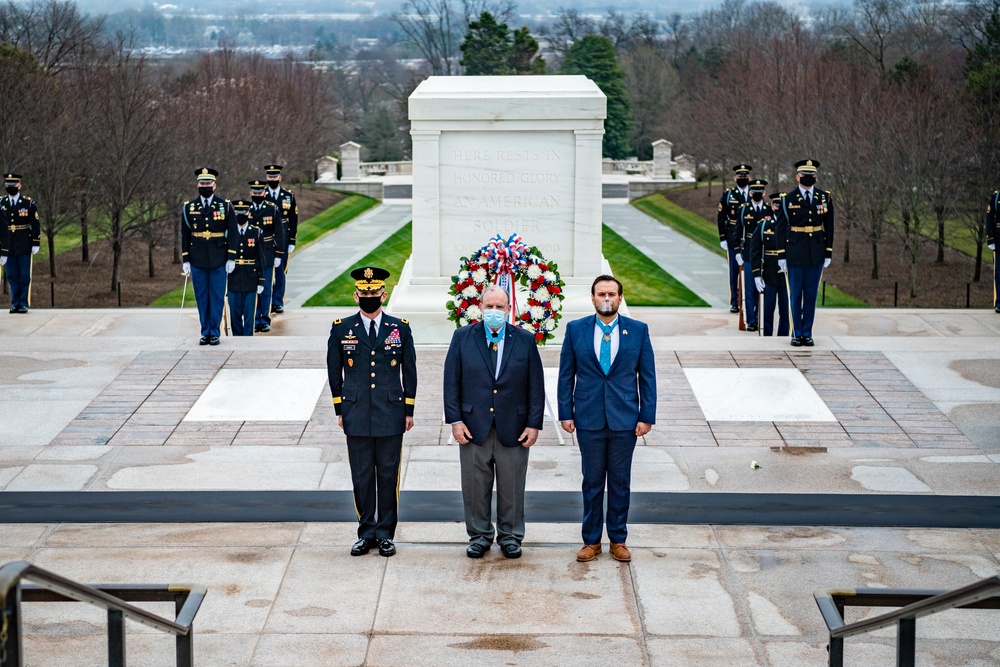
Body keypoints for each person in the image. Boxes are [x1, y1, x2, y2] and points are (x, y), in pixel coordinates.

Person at [558, 275, 656, 564]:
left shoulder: (637, 331)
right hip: (588, 418)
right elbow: (566, 374)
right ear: (592, 298)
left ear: (620, 298)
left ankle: (617, 539)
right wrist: (566, 412)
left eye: (612, 294)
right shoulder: (576, 329)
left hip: (625, 419)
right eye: (601, 293)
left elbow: (647, 376)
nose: (606, 298)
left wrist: (646, 416)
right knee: (591, 481)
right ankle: (590, 541)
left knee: (620, 482)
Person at [443, 285, 545, 560]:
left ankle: (510, 536)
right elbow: (451, 383)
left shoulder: (524, 340)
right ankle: (479, 535)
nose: (494, 312)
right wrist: (455, 420)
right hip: (474, 426)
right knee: (475, 485)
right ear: (480, 307)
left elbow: (536, 385)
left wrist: (534, 424)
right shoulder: (463, 337)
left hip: (514, 426)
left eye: (500, 307)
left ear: (509, 309)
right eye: (490, 307)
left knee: (512, 486)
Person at [326, 266, 416, 558]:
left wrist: (408, 409)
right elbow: (334, 372)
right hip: (356, 412)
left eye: (373, 292)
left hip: (390, 412)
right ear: (356, 296)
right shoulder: (341, 328)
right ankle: (366, 532)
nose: (369, 296)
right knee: (362, 475)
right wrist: (340, 409)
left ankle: (386, 534)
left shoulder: (399, 328)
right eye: (364, 293)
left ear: (383, 294)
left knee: (388, 474)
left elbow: (410, 371)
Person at [775, 159, 834, 347]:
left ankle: (807, 332)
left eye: (812, 176)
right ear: (797, 177)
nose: (809, 178)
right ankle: (796, 333)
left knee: (810, 295)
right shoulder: (787, 199)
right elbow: (780, 228)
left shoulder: (824, 198)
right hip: (795, 252)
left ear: (816, 177)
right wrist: (781, 255)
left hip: (816, 251)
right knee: (795, 295)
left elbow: (830, 226)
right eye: (805, 176)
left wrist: (828, 252)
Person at [181, 167, 237, 346]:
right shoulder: (189, 207)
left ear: (214, 185)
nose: (205, 186)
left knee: (217, 296)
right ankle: (205, 331)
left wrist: (231, 258)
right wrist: (186, 260)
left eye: (208, 183)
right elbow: (185, 235)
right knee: (202, 297)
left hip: (218, 257)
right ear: (197, 185)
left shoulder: (225, 206)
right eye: (202, 183)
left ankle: (215, 331)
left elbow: (233, 233)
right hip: (197, 258)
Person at [749, 193, 790, 337]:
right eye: (776, 205)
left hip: (786, 274)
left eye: (781, 206)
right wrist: (756, 274)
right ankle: (767, 338)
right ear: (772, 206)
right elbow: (754, 252)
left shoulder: (790, 226)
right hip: (769, 273)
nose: (778, 208)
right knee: (767, 312)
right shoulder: (763, 226)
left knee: (785, 313)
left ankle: (783, 338)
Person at [247, 179, 284, 333]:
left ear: (264, 193)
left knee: (266, 288)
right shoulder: (245, 209)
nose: (257, 195)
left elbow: (279, 233)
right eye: (254, 193)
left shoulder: (272, 209)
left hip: (267, 252)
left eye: (260, 192)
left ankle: (264, 319)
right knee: (252, 288)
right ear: (250, 193)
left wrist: (279, 254)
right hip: (250, 253)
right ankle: (254, 319)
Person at [0, 173, 40, 313]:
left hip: (23, 242)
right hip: (8, 244)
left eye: (13, 185)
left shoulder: (27, 203)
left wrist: (36, 242)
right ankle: (14, 303)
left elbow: (35, 223)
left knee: (24, 275)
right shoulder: (1, 203)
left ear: (19, 186)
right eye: (8, 185)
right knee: (11, 275)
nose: (11, 188)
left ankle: (23, 303)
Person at [734, 178, 770, 332]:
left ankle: (760, 316)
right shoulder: (743, 210)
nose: (757, 194)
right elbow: (737, 232)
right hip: (748, 253)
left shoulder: (769, 210)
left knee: (762, 289)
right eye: (754, 191)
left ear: (764, 192)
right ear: (750, 193)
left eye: (759, 191)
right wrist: (737, 251)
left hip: (765, 254)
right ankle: (751, 320)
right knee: (749, 288)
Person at [717, 164, 752, 314]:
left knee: (750, 269)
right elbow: (721, 216)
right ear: (735, 178)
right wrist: (722, 237)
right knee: (734, 270)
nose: (742, 178)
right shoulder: (728, 195)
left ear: (749, 178)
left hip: (750, 237)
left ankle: (750, 302)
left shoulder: (754, 192)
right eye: (740, 176)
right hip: (733, 235)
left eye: (745, 176)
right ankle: (734, 301)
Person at [227, 200, 265, 336]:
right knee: (235, 314)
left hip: (250, 278)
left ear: (249, 214)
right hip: (233, 277)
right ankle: (237, 339)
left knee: (249, 316)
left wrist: (261, 280)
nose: (240, 216)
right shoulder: (228, 232)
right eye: (237, 213)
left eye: (243, 213)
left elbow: (261, 258)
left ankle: (248, 340)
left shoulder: (256, 232)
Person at [264, 164, 297, 315]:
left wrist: (292, 241)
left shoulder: (288, 196)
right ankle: (265, 301)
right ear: (266, 178)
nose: (272, 179)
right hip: (266, 238)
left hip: (283, 236)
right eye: (270, 177)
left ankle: (277, 302)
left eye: (275, 176)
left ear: (280, 178)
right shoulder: (261, 195)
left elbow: (293, 219)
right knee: (265, 271)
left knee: (281, 271)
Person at [986, 190, 999, 313]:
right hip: (999, 240)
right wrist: (990, 239)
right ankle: (999, 302)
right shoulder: (996, 198)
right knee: (999, 273)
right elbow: (989, 219)